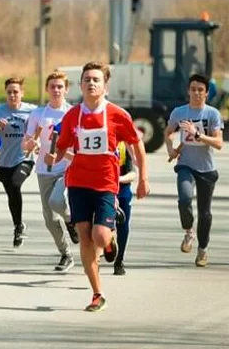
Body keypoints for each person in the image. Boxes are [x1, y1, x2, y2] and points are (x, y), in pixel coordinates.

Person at [46, 61, 149, 312]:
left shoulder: (117, 114)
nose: (91, 83)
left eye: (96, 80)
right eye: (86, 80)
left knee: (99, 236)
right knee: (84, 235)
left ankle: (109, 240)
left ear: (105, 86)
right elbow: (61, 148)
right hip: (79, 182)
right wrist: (53, 157)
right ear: (80, 85)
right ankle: (97, 293)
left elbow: (136, 145)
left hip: (105, 183)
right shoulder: (72, 116)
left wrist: (143, 177)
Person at [165, 73, 224, 267]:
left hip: (206, 169)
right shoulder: (179, 112)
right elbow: (168, 132)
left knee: (204, 212)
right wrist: (171, 149)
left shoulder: (212, 114)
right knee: (184, 198)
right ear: (188, 91)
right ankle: (189, 231)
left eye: (201, 90)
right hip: (185, 165)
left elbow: (218, 143)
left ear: (207, 93)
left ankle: (202, 250)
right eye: (193, 89)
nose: (196, 93)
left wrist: (198, 134)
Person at [23, 71, 78, 273]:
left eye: (60, 87)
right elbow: (26, 145)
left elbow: (78, 149)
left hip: (67, 168)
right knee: (49, 219)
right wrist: (30, 144)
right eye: (52, 86)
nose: (56, 90)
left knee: (57, 201)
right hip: (44, 170)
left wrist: (64, 157)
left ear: (66, 89)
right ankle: (66, 254)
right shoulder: (38, 114)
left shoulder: (73, 114)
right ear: (47, 89)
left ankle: (71, 221)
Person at [0, 77, 37, 247]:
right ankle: (18, 225)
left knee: (15, 184)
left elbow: (44, 126)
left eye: (16, 92)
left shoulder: (32, 111)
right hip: (4, 161)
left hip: (24, 158)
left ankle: (18, 226)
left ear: (22, 93)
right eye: (9, 92)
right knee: (11, 193)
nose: (12, 95)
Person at [113, 141, 137, 275]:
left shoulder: (124, 144)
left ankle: (119, 260)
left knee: (123, 223)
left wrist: (119, 179)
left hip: (122, 187)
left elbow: (133, 173)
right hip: (103, 186)